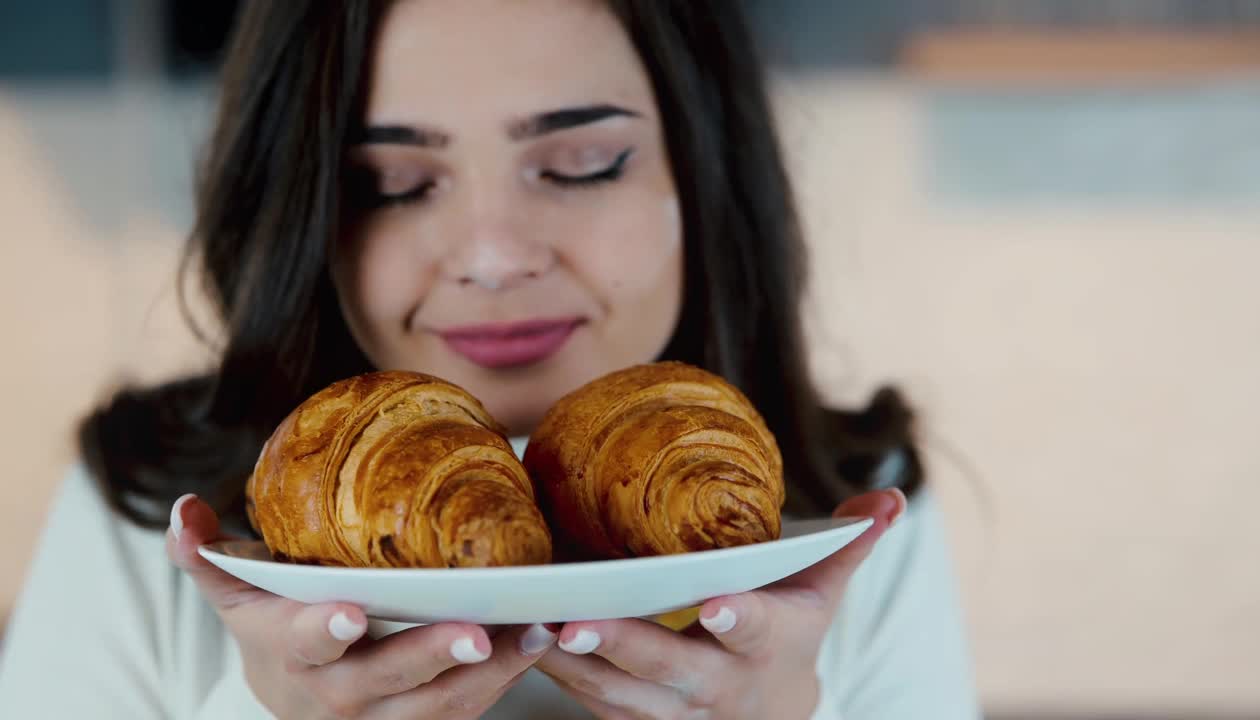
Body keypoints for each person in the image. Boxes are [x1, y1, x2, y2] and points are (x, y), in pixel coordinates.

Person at [0, 2, 978, 718]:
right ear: (303, 214)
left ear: (703, 172)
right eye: (388, 183)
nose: (492, 255)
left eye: (579, 164)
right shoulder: (145, 514)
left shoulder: (844, 513)